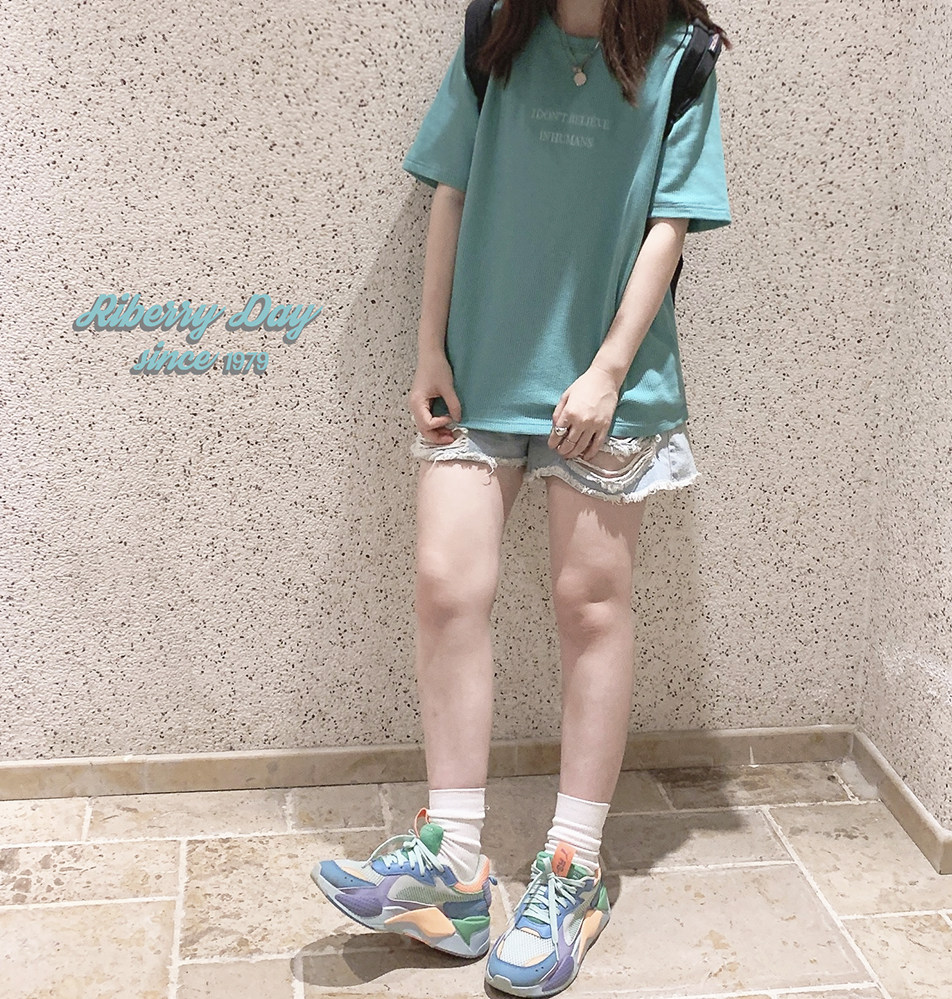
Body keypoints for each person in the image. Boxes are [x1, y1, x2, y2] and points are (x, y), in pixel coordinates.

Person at [311, 0, 732, 994]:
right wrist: (428, 347)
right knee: (446, 585)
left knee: (591, 606)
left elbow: (669, 224)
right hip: (482, 364)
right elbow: (451, 190)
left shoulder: (684, 57)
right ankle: (453, 867)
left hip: (607, 382)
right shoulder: (494, 29)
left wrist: (609, 370)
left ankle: (571, 872)